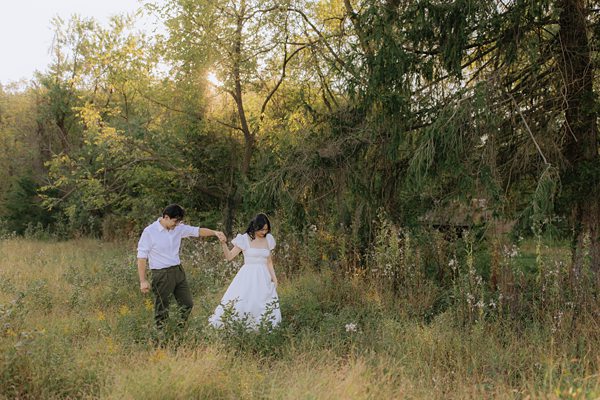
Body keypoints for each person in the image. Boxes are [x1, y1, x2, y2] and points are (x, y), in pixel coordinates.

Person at [137, 204, 225, 329]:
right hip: (161, 273)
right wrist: (143, 280)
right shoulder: (150, 232)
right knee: (162, 308)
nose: (177, 224)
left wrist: (215, 233)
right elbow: (141, 257)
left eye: (179, 222)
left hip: (178, 271)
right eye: (175, 221)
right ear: (166, 217)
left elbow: (197, 231)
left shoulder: (178, 228)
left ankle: (179, 329)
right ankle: (161, 336)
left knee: (187, 303)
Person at [209, 213, 281, 329]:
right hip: (248, 275)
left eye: (266, 230)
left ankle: (263, 328)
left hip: (264, 276)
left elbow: (269, 262)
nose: (264, 232)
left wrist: (275, 278)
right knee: (245, 301)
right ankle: (242, 327)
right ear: (255, 227)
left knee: (264, 302)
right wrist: (223, 244)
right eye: (262, 229)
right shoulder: (244, 239)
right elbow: (229, 256)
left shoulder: (268, 239)